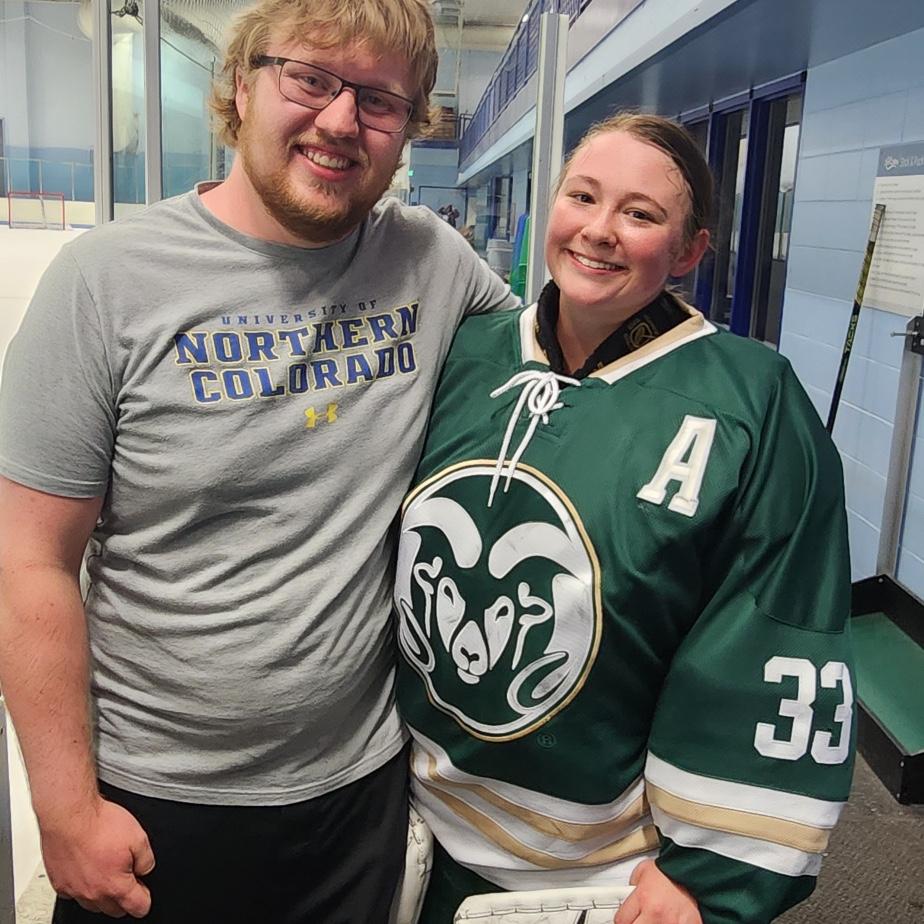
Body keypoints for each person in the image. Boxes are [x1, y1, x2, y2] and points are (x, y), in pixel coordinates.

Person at [0, 1, 518, 922]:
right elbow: (27, 560)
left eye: (380, 101)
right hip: (151, 800)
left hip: (357, 797)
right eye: (310, 79)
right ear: (241, 86)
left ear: (407, 129)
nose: (341, 121)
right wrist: (65, 803)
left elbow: (560, 359)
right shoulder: (106, 281)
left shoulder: (431, 262)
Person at [393, 113, 854, 923]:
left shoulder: (752, 402)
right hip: (404, 826)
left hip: (595, 879)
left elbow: (771, 633)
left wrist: (706, 872)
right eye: (583, 197)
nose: (600, 230)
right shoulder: (465, 353)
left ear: (689, 251)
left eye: (640, 214)